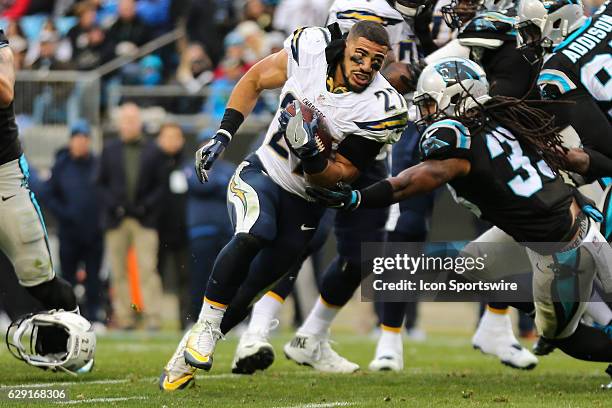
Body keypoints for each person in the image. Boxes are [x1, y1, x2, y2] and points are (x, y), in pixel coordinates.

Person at [307, 56, 612, 367]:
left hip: (560, 249)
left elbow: (406, 184)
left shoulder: (457, 141)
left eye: (428, 104)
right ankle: (545, 305)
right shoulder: (503, 117)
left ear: (454, 97)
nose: (423, 113)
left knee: (562, 335)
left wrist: (357, 198)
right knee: (473, 267)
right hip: (571, 222)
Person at [159, 20, 408, 391]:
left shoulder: (380, 106)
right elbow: (254, 79)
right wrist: (223, 135)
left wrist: (312, 154)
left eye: (376, 62)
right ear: (345, 48)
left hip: (306, 202)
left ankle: (187, 353)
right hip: (262, 174)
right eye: (359, 57)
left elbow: (343, 172)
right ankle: (207, 328)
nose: (365, 68)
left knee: (255, 285)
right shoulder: (310, 50)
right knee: (254, 233)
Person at [231, 0, 434, 375]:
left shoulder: (427, 18)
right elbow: (323, 55)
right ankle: (255, 331)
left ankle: (311, 336)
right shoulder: (349, 9)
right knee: (301, 240)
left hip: (367, 145)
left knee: (363, 254)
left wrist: (416, 72)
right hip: (321, 127)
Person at [0, 30, 91, 370]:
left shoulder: (2, 50)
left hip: (3, 178)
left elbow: (4, 91)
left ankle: (73, 337)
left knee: (39, 278)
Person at [96, 102, 165, 330]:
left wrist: (145, 207)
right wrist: (114, 205)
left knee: (148, 268)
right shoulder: (109, 149)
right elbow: (101, 183)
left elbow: (160, 185)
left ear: (140, 123)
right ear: (119, 124)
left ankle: (153, 317)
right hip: (116, 220)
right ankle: (125, 318)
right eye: (125, 120)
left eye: (133, 120)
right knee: (118, 270)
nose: (129, 125)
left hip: (144, 219)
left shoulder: (153, 150)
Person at [38, 120, 105, 325]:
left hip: (94, 232)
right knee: (67, 277)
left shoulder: (97, 164)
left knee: (94, 277)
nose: (81, 143)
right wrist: (64, 213)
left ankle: (94, 316)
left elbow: (107, 193)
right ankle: (68, 316)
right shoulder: (61, 166)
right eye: (78, 139)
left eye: (85, 139)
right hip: (69, 232)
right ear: (71, 141)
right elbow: (47, 194)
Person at [185, 130, 235, 327]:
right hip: (201, 232)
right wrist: (218, 182)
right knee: (199, 278)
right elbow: (202, 185)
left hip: (226, 231)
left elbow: (232, 186)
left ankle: (230, 320)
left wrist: (215, 182)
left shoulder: (229, 167)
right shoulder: (190, 167)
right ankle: (195, 318)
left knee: (228, 277)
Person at [156, 123, 190, 330]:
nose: (171, 141)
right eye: (167, 136)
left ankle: (185, 319)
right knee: (153, 276)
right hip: (157, 230)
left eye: (175, 136)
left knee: (185, 277)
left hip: (183, 230)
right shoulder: (152, 164)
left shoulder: (188, 165)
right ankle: (151, 319)